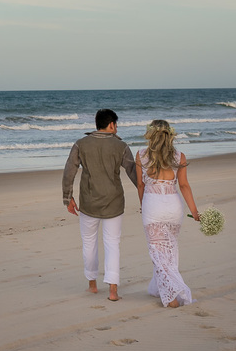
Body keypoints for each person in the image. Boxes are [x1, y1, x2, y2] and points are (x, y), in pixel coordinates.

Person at [62, 109, 137, 301]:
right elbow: (132, 172)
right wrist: (146, 193)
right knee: (112, 244)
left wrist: (68, 198)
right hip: (114, 202)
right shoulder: (120, 145)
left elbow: (69, 170)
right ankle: (113, 291)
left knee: (89, 242)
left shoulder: (81, 144)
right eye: (116, 124)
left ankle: (92, 285)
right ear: (111, 125)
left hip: (89, 202)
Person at [136, 119, 200, 307]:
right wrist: (194, 212)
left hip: (152, 206)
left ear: (150, 135)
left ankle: (172, 296)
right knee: (170, 251)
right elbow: (184, 185)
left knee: (157, 253)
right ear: (170, 135)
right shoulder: (179, 156)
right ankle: (162, 288)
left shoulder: (141, 155)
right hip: (173, 207)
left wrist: (143, 205)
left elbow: (140, 185)